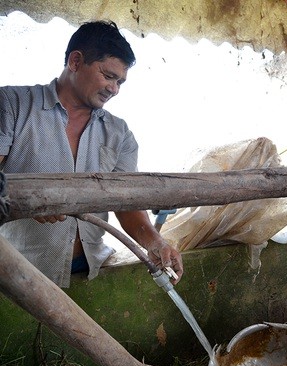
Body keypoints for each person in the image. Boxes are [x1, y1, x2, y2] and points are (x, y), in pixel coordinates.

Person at [0, 20, 183, 288]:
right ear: (75, 61)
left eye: (120, 81)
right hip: (19, 268)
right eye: (108, 76)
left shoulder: (119, 133)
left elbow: (127, 203)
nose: (114, 89)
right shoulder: (12, 105)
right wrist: (25, 202)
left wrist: (155, 243)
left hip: (90, 269)